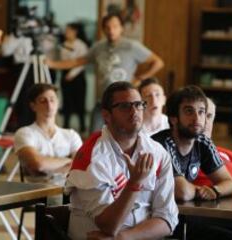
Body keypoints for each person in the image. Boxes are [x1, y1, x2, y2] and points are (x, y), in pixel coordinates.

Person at [65, 81, 178, 240]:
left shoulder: (158, 152)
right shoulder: (91, 156)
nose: (134, 111)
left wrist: (124, 238)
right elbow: (108, 226)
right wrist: (134, 184)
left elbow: (168, 219)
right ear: (106, 115)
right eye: (125, 106)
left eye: (138, 104)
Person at [47, 13, 164, 132]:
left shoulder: (131, 46)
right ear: (103, 29)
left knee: (123, 138)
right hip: (103, 102)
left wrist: (140, 78)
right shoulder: (98, 47)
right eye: (107, 27)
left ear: (121, 27)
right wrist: (51, 64)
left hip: (126, 104)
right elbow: (77, 61)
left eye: (115, 26)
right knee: (94, 137)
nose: (111, 30)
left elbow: (157, 62)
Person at [152, 85, 232, 240]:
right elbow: (182, 192)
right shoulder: (161, 144)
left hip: (179, 217)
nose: (197, 118)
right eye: (188, 111)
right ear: (173, 118)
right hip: (150, 220)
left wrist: (215, 190)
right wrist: (203, 190)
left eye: (201, 112)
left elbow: (230, 183)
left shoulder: (202, 142)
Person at [14, 83, 82, 205]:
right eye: (43, 101)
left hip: (71, 188)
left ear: (58, 103)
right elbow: (38, 164)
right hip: (39, 192)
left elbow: (82, 165)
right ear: (33, 106)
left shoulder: (71, 135)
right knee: (63, 201)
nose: (49, 105)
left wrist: (49, 164)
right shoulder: (25, 133)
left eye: (52, 100)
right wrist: (69, 160)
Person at [194, 98, 232, 192]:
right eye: (200, 114)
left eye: (209, 116)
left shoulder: (227, 153)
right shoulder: (181, 157)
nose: (205, 122)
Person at [60, 22, 89, 132]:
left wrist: (72, 74)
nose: (66, 33)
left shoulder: (81, 45)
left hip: (78, 76)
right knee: (66, 100)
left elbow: (82, 62)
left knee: (80, 101)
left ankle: (82, 126)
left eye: (69, 30)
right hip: (65, 74)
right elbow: (63, 61)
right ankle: (66, 124)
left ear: (75, 32)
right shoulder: (64, 44)